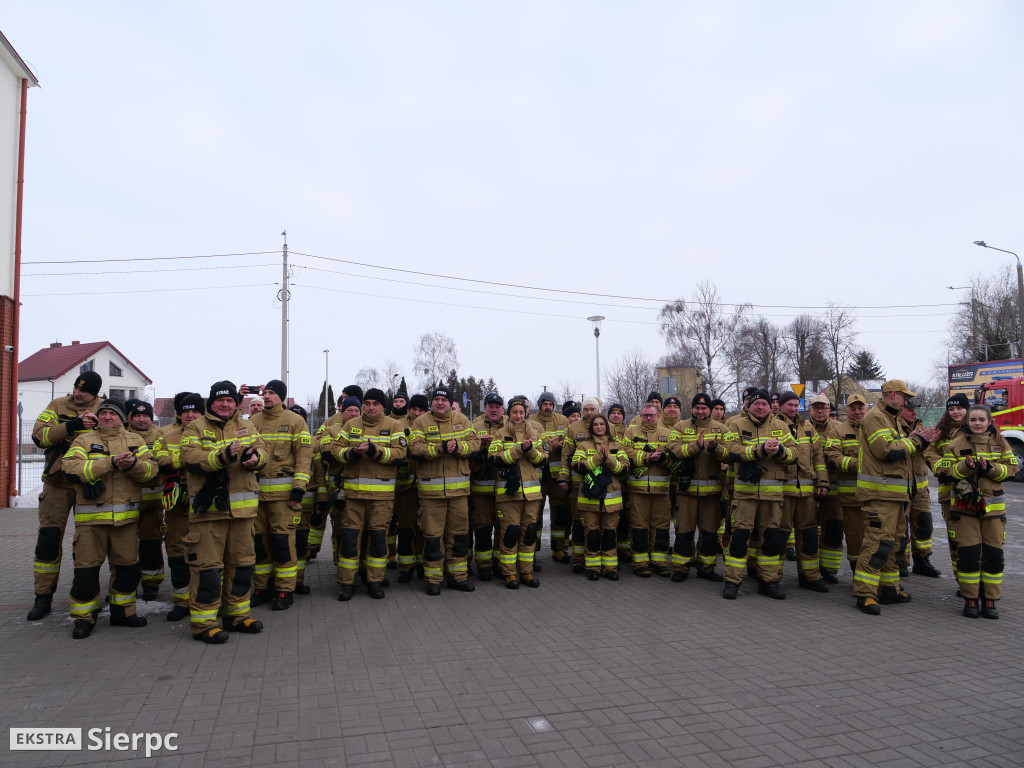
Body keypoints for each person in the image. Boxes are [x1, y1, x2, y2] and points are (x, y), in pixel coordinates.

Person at [61, 398, 159, 639]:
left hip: (125, 522)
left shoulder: (135, 440)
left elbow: (151, 471)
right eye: (103, 413)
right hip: (91, 523)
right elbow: (70, 467)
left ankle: (123, 612)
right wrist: (109, 463)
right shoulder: (83, 440)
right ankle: (84, 617)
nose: (107, 417)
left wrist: (133, 464)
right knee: (86, 572)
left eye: (113, 414)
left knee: (127, 570)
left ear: (122, 418)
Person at [180, 381, 268, 643]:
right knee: (207, 570)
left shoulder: (246, 425)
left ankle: (237, 616)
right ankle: (204, 624)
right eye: (220, 400)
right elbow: (190, 458)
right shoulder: (196, 427)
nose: (225, 404)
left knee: (241, 567)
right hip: (209, 514)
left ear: (235, 403)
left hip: (242, 514)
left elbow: (263, 450)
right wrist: (222, 455)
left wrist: (256, 460)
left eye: (230, 400)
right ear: (211, 402)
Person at [852, 380, 938, 615]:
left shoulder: (892, 419)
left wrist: (920, 441)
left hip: (896, 496)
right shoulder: (875, 417)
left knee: (894, 546)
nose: (906, 401)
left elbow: (905, 452)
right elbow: (886, 450)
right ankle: (865, 593)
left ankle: (889, 588)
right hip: (880, 494)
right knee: (877, 544)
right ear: (892, 395)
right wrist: (917, 440)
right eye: (904, 397)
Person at [27, 370, 103, 621]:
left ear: (95, 393)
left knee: (88, 544)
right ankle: (43, 597)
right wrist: (70, 426)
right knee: (48, 540)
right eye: (76, 388)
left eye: (84, 390)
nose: (78, 393)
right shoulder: (57, 405)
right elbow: (39, 436)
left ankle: (87, 596)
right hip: (57, 483)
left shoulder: (106, 408)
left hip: (89, 485)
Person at [326, 388, 407, 600]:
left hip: (381, 499)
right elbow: (335, 449)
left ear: (383, 406)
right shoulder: (351, 425)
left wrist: (375, 451)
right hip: (353, 497)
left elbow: (400, 454)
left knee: (378, 541)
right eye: (368, 403)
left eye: (376, 404)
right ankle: (346, 583)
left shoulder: (394, 426)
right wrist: (352, 453)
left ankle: (375, 581)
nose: (371, 407)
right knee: (350, 542)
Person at [721, 389, 796, 600]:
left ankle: (769, 582)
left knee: (771, 540)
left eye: (764, 403)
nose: (760, 407)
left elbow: (795, 452)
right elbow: (730, 449)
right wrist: (758, 450)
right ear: (749, 406)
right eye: (756, 404)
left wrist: (780, 452)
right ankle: (732, 581)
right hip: (745, 495)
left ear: (769, 405)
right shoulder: (737, 424)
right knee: (739, 538)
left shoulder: (780, 426)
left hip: (773, 497)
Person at [944, 404, 1015, 618]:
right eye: (973, 420)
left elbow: (1013, 470)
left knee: (993, 556)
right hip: (964, 511)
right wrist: (964, 467)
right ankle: (971, 600)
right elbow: (944, 472)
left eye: (981, 420)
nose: (977, 423)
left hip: (993, 513)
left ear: (989, 422)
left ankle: (990, 601)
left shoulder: (1000, 443)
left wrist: (989, 468)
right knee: (969, 555)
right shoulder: (955, 444)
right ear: (967, 422)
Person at [247, 380, 313, 611]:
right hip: (256, 498)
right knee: (260, 545)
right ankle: (261, 588)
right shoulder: (253, 422)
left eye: (272, 393)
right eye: (265, 393)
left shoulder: (296, 421)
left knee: (282, 543)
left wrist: (299, 488)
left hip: (285, 499)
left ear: (282, 397)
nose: (267, 396)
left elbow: (304, 458)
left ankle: (285, 590)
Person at [409, 384, 481, 595]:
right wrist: (439, 448)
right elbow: (414, 449)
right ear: (432, 402)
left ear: (450, 403)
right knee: (432, 537)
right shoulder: (421, 422)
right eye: (437, 400)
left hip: (459, 494)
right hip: (431, 495)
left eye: (445, 400)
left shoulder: (462, 421)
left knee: (458, 537)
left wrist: (459, 448)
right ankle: (433, 579)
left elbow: (475, 444)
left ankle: (458, 577)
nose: (440, 403)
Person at [152, 392, 205, 622]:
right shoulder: (167, 437)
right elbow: (160, 462)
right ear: (179, 414)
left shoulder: (212, 435)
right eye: (186, 411)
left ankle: (205, 600)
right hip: (176, 506)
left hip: (205, 505)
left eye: (195, 411)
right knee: (176, 553)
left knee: (205, 554)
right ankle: (182, 602)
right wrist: (188, 460)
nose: (190, 415)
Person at [666, 393, 730, 581]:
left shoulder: (722, 429)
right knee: (684, 532)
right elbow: (674, 451)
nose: (700, 411)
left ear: (710, 409)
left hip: (712, 494)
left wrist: (715, 449)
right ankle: (681, 568)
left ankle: (706, 568)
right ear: (692, 409)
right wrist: (696, 446)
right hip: (686, 492)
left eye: (704, 408)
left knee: (709, 533)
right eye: (697, 408)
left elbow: (729, 455)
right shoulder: (679, 427)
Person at [489, 397, 548, 588]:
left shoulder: (536, 433)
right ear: (509, 413)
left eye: (521, 412)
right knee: (510, 533)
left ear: (526, 414)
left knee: (529, 533)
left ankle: (526, 571)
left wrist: (530, 450)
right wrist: (517, 450)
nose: (518, 415)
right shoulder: (500, 434)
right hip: (508, 495)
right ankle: (509, 573)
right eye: (514, 412)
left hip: (531, 495)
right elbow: (494, 459)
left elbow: (542, 459)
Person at [776, 392, 830, 592]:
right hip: (782, 493)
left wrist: (822, 481)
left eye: (795, 405)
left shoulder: (807, 428)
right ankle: (773, 578)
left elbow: (819, 458)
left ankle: (809, 576)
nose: (792, 408)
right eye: (788, 405)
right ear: (780, 406)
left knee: (808, 536)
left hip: (806, 494)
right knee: (780, 537)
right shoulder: (773, 426)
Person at [570, 412, 629, 580]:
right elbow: (577, 466)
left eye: (602, 424)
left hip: (612, 500)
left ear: (607, 426)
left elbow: (624, 469)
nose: (599, 427)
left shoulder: (617, 445)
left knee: (610, 534)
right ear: (591, 427)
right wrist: (596, 459)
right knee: (592, 534)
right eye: (595, 424)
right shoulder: (583, 446)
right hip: (589, 501)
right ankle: (593, 568)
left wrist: (608, 459)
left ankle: (610, 568)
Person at [623, 402, 673, 578]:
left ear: (657, 415)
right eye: (645, 415)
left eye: (652, 415)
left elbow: (675, 458)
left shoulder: (667, 434)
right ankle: (640, 562)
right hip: (638, 491)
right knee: (639, 526)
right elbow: (625, 452)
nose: (649, 418)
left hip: (661, 492)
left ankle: (659, 562)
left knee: (661, 527)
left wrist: (663, 459)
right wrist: (646, 457)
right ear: (640, 416)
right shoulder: (630, 432)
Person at [924, 393, 969, 576]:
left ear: (967, 409)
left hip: (974, 495)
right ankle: (962, 581)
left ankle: (976, 583)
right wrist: (943, 467)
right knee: (955, 540)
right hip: (948, 495)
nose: (955, 412)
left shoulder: (977, 428)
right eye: (951, 409)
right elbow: (929, 453)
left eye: (959, 408)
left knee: (973, 541)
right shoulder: (941, 432)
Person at [127, 400, 166, 600]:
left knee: (151, 544)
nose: (142, 420)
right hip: (128, 501)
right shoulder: (122, 436)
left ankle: (152, 584)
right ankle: (126, 585)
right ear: (130, 418)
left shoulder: (160, 436)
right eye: (137, 416)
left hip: (153, 502)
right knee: (126, 548)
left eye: (146, 416)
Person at [898, 399, 940, 578]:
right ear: (900, 409)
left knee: (924, 525)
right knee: (901, 528)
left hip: (921, 490)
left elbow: (929, 453)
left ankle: (922, 561)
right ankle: (901, 563)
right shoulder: (893, 426)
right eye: (909, 409)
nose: (913, 412)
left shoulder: (921, 426)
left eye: (915, 409)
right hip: (901, 488)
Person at [469, 393, 506, 581]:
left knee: (503, 528)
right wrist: (481, 446)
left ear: (503, 409)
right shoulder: (474, 427)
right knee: (483, 529)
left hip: (505, 490)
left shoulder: (510, 427)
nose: (494, 409)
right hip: (481, 491)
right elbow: (466, 454)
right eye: (490, 406)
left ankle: (501, 564)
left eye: (497, 406)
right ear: (485, 409)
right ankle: (484, 566)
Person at [530, 392, 570, 563]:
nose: (548, 407)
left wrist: (561, 446)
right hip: (537, 476)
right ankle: (532, 550)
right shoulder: (530, 421)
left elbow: (570, 445)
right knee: (535, 514)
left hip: (556, 476)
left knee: (559, 512)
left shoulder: (563, 421)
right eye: (545, 404)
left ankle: (559, 548)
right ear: (540, 405)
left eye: (550, 404)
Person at [394, 394, 428, 583]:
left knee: (425, 528)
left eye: (421, 410)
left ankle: (423, 563)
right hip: (405, 487)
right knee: (406, 528)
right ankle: (406, 567)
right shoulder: (398, 425)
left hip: (426, 486)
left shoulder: (429, 423)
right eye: (414, 409)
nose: (416, 413)